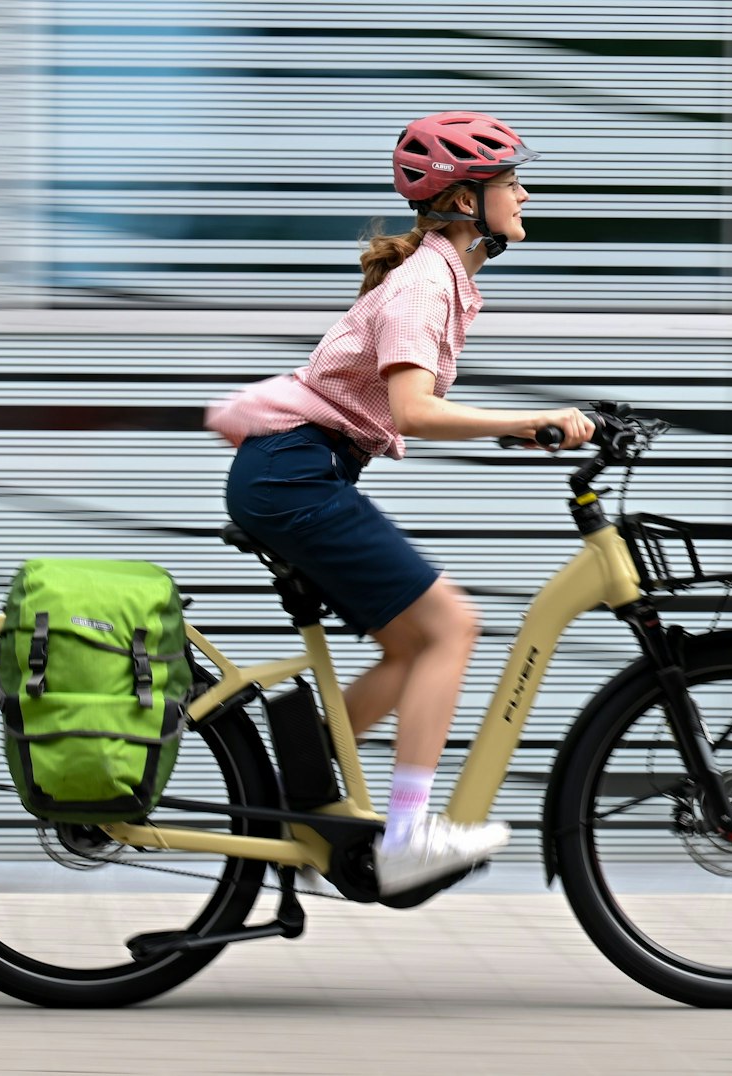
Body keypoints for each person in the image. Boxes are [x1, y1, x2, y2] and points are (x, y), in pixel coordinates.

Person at [204, 112, 595, 894]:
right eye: (509, 181)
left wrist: (525, 430)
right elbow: (413, 410)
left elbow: (401, 406)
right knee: (453, 624)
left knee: (413, 645)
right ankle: (409, 834)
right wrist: (531, 419)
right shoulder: (422, 285)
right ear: (462, 199)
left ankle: (302, 788)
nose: (525, 192)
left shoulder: (439, 280)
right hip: (295, 476)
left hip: (299, 472)